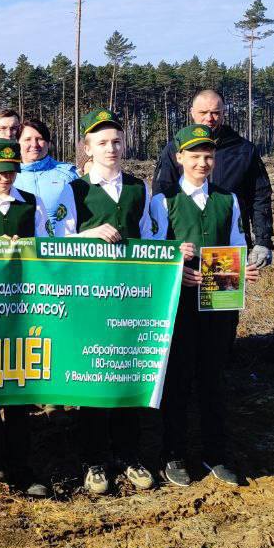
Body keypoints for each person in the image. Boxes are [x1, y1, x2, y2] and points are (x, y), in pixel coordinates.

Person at [149, 124, 261, 488]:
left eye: (208, 156)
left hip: (218, 301)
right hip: (177, 303)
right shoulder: (163, 201)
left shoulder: (227, 200)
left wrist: (242, 271)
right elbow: (151, 252)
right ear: (179, 158)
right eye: (194, 156)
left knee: (213, 378)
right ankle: (173, 454)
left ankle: (216, 453)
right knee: (178, 379)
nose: (202, 162)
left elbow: (235, 245)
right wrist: (173, 265)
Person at [63, 110, 159, 495]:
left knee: (128, 373)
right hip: (91, 297)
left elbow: (153, 239)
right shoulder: (75, 190)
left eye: (116, 141)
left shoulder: (140, 187)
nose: (111, 148)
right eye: (102, 142)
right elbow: (59, 242)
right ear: (87, 148)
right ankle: (93, 460)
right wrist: (89, 233)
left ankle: (129, 454)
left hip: (131, 298)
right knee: (94, 377)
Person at [0, 138, 56, 498]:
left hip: (22, 306)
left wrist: (27, 249)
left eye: (12, 171)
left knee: (19, 387)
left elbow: (50, 248)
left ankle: (22, 464)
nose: (7, 178)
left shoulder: (31, 203)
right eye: (0, 172)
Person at [154, 89, 274, 269]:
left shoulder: (244, 150)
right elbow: (161, 194)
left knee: (223, 295)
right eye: (203, 112)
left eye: (215, 113)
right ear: (192, 112)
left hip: (228, 247)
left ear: (224, 113)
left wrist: (263, 241)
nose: (209, 118)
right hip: (184, 252)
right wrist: (170, 252)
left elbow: (260, 196)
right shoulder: (175, 149)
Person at [12, 117, 79, 215]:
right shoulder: (9, 176)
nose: (34, 144)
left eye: (39, 139)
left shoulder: (68, 173)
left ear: (48, 143)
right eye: (27, 139)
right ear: (18, 143)